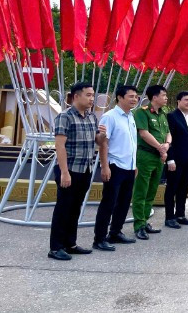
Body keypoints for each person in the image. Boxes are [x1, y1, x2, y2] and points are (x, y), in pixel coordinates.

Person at [49, 82, 107, 260]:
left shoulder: (91, 117)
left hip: (85, 169)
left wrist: (102, 135)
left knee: (75, 208)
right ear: (76, 96)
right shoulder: (65, 117)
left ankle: (70, 244)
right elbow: (60, 146)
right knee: (63, 208)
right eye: (88, 95)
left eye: (93, 95)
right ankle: (55, 248)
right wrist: (64, 172)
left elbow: (98, 141)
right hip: (70, 169)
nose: (91, 99)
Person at [92, 85, 139, 252]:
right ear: (119, 97)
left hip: (129, 166)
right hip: (115, 165)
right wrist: (104, 166)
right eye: (131, 96)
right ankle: (99, 238)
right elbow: (103, 143)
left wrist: (134, 164)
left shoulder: (131, 116)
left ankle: (115, 232)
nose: (134, 99)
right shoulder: (110, 117)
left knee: (124, 202)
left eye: (136, 97)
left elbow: (131, 143)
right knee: (109, 203)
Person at [131, 85, 171, 240]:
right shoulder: (142, 112)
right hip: (146, 155)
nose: (166, 98)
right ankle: (139, 225)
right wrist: (160, 147)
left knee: (152, 190)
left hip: (159, 157)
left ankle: (145, 219)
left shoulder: (163, 114)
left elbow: (168, 133)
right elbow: (143, 133)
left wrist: (166, 145)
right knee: (141, 190)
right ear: (154, 97)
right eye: (163, 95)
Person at [164, 91, 188, 229]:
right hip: (175, 160)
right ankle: (169, 217)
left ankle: (180, 215)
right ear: (178, 101)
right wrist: (170, 159)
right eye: (186, 100)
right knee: (172, 188)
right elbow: (168, 138)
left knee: (184, 188)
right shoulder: (171, 116)